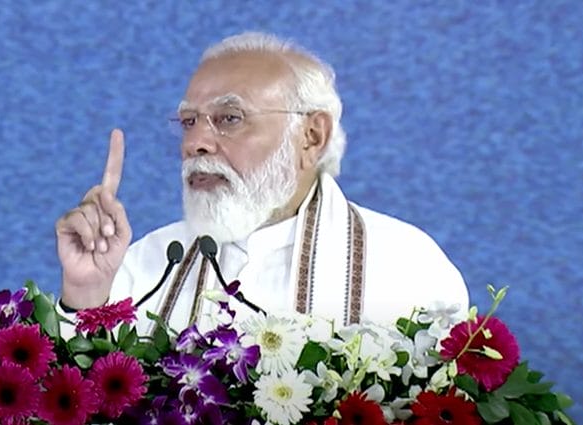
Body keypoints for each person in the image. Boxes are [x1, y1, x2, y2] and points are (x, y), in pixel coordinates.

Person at [55, 32, 469, 335]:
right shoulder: (147, 265)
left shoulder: (407, 268)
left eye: (229, 118)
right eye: (189, 121)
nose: (195, 143)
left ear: (312, 136)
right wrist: (86, 293)